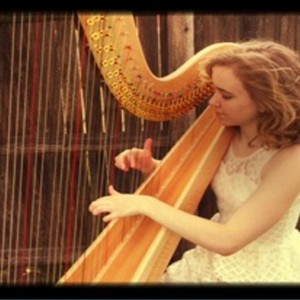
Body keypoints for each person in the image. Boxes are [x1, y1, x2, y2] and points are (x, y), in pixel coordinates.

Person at [89, 39, 300, 283]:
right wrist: (152, 168)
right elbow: (211, 181)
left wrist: (145, 204)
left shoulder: (291, 159)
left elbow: (228, 240)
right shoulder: (228, 133)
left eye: (226, 95)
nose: (212, 102)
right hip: (208, 261)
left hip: (257, 271)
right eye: (214, 91)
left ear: (266, 102)